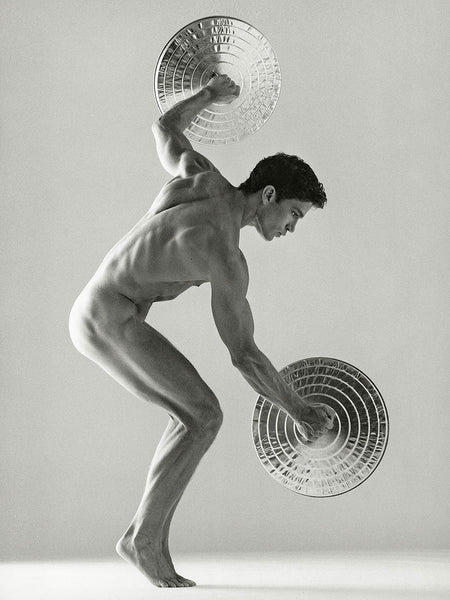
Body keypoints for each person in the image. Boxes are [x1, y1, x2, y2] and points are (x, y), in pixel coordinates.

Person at [69, 74, 335, 588]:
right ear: (269, 194)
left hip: (96, 310)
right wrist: (299, 410)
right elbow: (244, 355)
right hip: (109, 316)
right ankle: (142, 541)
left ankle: (146, 539)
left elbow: (165, 127)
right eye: (294, 215)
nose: (291, 228)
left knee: (192, 416)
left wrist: (209, 95)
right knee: (205, 415)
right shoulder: (226, 255)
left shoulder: (201, 177)